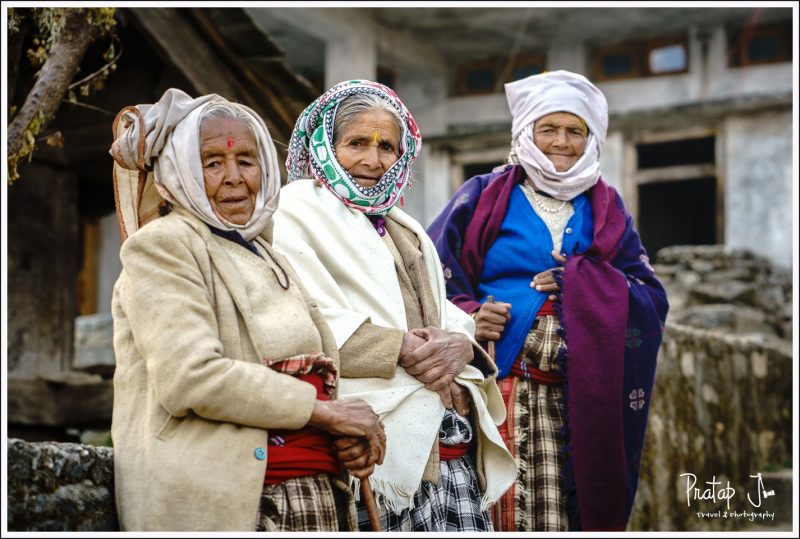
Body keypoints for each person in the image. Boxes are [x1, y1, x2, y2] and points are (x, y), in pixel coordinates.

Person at [109, 88, 386, 531]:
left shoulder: (263, 249)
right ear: (180, 172)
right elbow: (191, 378)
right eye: (213, 162)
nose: (235, 177)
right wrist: (325, 413)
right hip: (237, 501)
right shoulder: (163, 246)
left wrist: (338, 436)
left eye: (247, 160)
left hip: (309, 490)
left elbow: (309, 375)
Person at [427, 70, 669, 531]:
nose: (562, 141)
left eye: (575, 131)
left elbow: (650, 296)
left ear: (592, 138)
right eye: (548, 128)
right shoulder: (482, 196)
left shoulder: (608, 207)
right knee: (502, 511)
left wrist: (584, 282)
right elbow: (431, 274)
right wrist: (469, 317)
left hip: (583, 402)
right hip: (497, 394)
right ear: (525, 133)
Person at [272, 80, 517, 532]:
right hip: (372, 447)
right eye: (356, 143)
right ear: (325, 144)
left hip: (444, 446)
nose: (373, 160)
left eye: (387, 145)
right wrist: (400, 348)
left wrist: (461, 347)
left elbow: (447, 317)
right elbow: (304, 318)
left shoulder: (402, 224)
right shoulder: (294, 212)